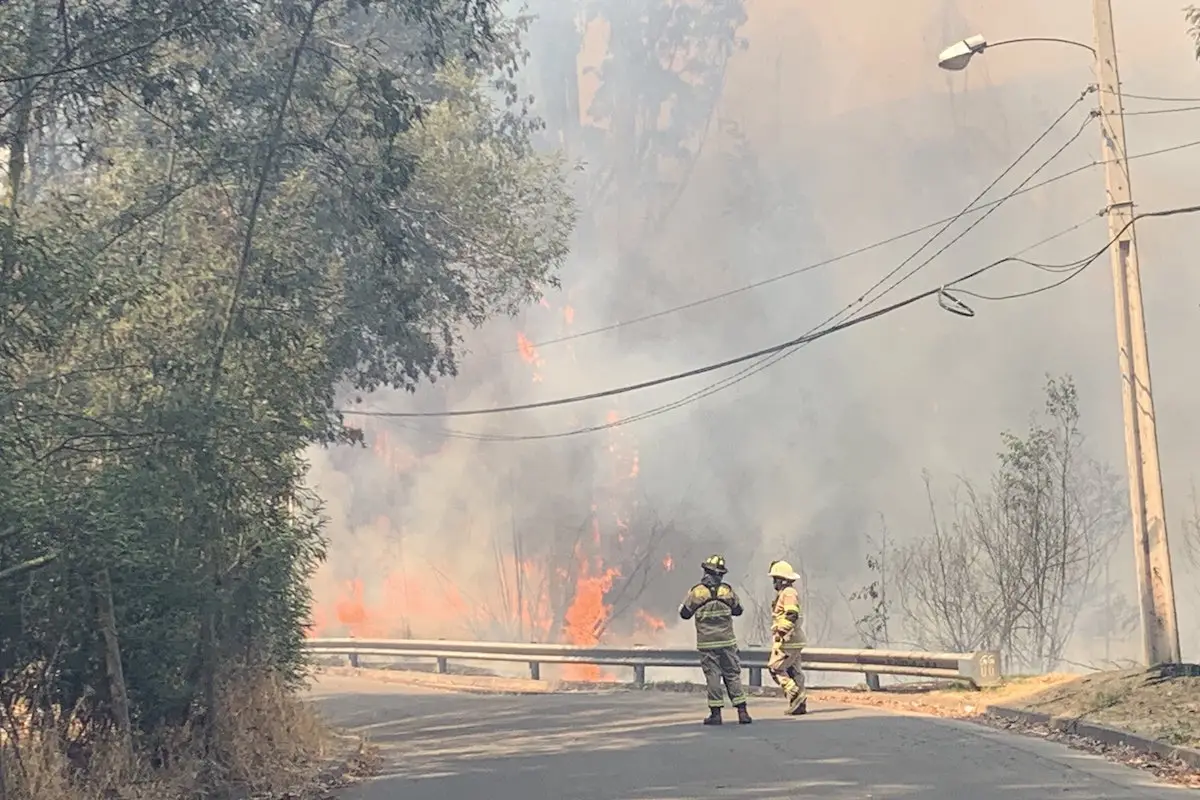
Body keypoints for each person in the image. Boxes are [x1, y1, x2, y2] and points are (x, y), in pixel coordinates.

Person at [678, 554, 752, 725]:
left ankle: (716, 715)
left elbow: (685, 614)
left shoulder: (697, 592)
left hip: (707, 644)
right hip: (727, 641)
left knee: (713, 677)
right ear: (721, 575)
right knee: (732, 675)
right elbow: (738, 610)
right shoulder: (727, 591)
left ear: (706, 571)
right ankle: (742, 713)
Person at [767, 559, 807, 715]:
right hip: (794, 639)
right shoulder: (785, 593)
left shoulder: (788, 593)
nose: (774, 583)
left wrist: (781, 632)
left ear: (781, 579)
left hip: (788, 639)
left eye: (775, 579)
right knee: (794, 670)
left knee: (775, 668)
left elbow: (791, 614)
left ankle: (795, 693)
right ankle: (799, 704)